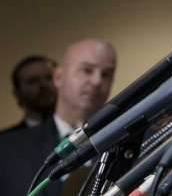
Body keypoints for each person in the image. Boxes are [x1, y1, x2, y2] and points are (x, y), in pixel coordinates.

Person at [0, 38, 116, 196]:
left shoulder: (126, 144)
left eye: (106, 74)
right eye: (87, 70)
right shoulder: (8, 149)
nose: (97, 81)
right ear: (58, 78)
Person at [0, 54, 57, 133]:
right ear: (18, 93)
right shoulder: (5, 140)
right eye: (33, 81)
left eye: (49, 77)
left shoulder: (78, 130)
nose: (43, 84)